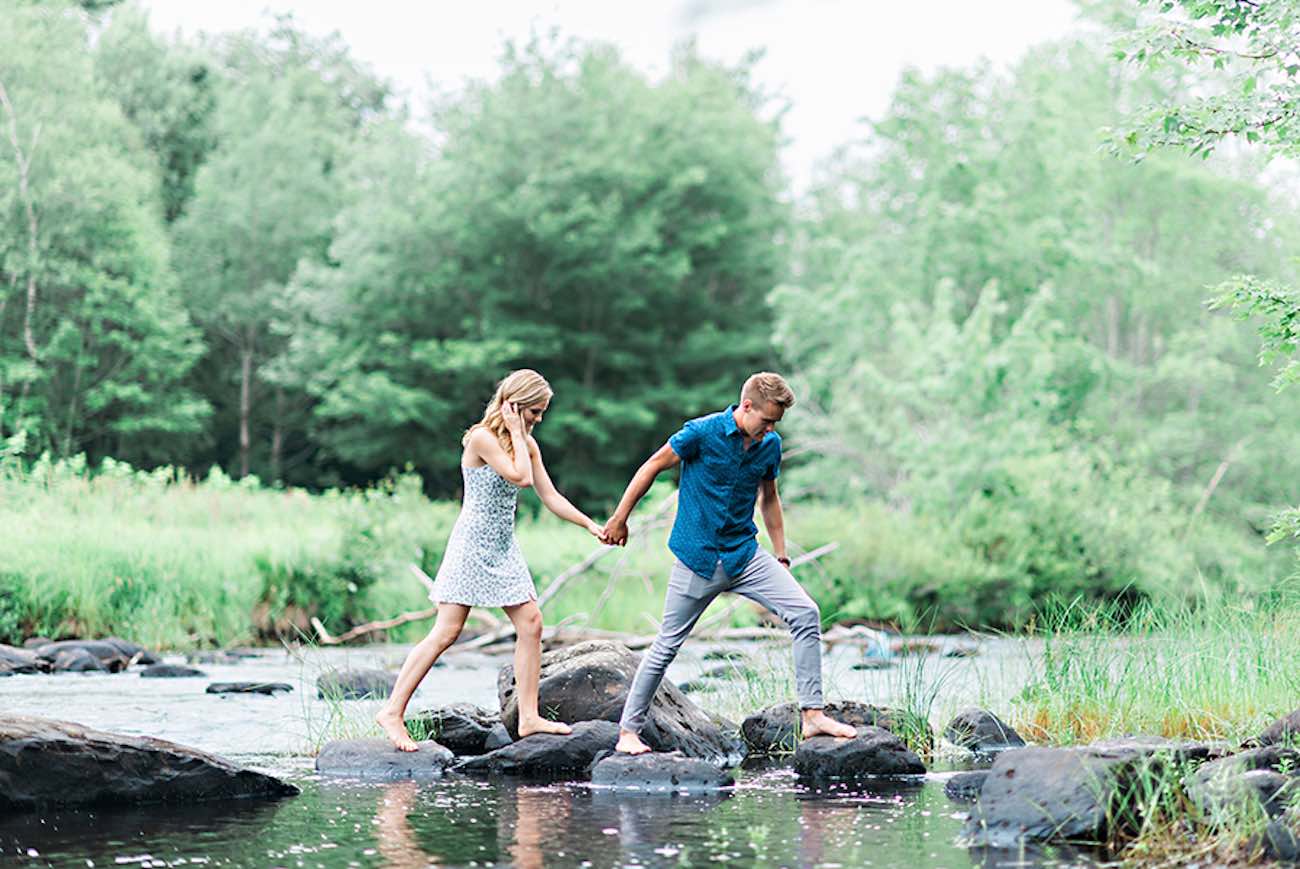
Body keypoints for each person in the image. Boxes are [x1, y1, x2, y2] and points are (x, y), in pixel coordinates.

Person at [603, 372, 856, 755]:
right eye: (766, 420)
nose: (770, 429)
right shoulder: (701, 433)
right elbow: (653, 465)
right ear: (747, 405)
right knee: (666, 645)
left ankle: (813, 715)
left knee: (806, 614)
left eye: (776, 424)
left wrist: (782, 554)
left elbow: (769, 498)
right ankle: (628, 734)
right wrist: (621, 518)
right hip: (697, 558)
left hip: (745, 554)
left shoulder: (769, 445)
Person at [376, 369, 608, 751]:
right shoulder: (481, 438)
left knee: (531, 622)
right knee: (447, 631)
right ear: (512, 404)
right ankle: (392, 712)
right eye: (533, 411)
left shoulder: (528, 444)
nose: (537, 420)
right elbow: (518, 478)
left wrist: (589, 525)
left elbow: (549, 497)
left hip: (503, 546)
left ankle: (529, 717)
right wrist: (518, 434)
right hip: (471, 544)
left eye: (541, 414)